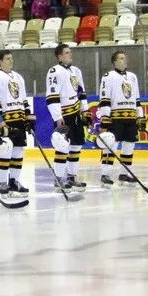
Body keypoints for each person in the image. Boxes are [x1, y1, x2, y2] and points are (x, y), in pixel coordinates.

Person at [0, 49, 33, 197]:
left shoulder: (18, 77)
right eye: (7, 58)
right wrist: (0, 121)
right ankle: (2, 183)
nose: (11, 61)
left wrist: (28, 119)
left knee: (18, 151)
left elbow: (24, 100)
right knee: (5, 150)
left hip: (19, 119)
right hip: (5, 120)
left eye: (11, 58)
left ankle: (14, 182)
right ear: (0, 61)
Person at [97, 50, 143, 186]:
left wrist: (140, 116)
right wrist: (105, 117)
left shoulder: (133, 77)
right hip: (116, 117)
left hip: (131, 117)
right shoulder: (108, 77)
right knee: (111, 146)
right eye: (121, 58)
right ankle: (105, 174)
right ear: (115, 61)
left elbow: (137, 99)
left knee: (129, 146)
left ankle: (125, 174)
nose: (125, 60)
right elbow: (104, 99)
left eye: (125, 58)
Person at [45, 44, 89, 190]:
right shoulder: (54, 72)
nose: (71, 54)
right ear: (60, 56)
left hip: (76, 113)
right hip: (64, 115)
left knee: (76, 145)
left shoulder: (76, 71)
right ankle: (58, 179)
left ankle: (72, 177)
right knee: (63, 146)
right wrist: (57, 117)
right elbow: (52, 97)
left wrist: (85, 111)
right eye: (67, 52)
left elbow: (81, 92)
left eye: (70, 52)